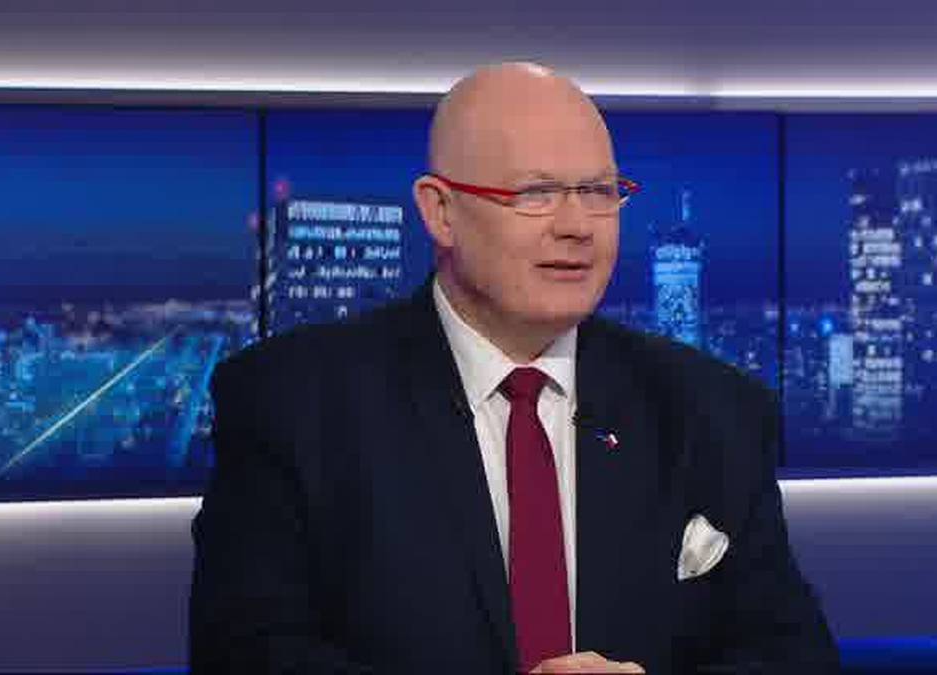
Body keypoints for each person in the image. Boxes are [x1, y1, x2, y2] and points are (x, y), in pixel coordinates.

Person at [190, 61, 838, 674]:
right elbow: (246, 655)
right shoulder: (291, 403)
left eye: (599, 191)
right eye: (536, 193)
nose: (577, 225)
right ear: (440, 211)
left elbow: (794, 656)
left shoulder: (714, 411)